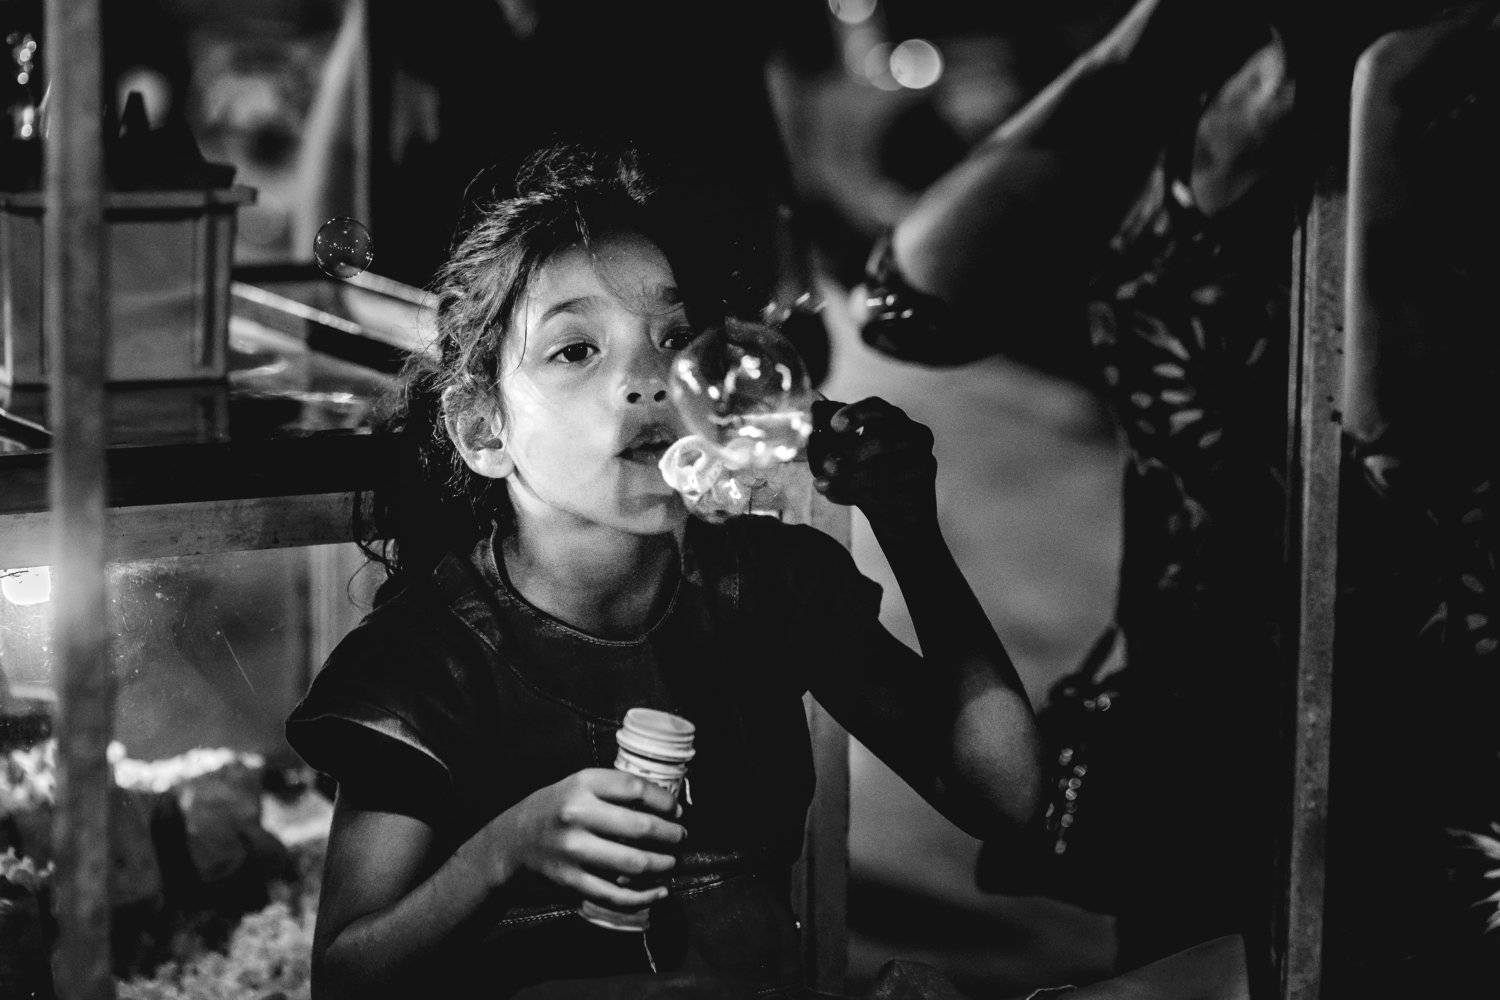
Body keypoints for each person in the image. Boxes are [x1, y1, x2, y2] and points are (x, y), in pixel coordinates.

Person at [282, 141, 1044, 1000]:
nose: (647, 378)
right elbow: (345, 980)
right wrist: (504, 851)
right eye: (577, 349)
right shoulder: (425, 667)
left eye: (674, 338)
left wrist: (910, 529)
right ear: (484, 431)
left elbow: (1004, 797)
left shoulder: (764, 588)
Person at [855, 0, 1499, 991]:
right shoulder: (1206, 72)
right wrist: (1158, 36)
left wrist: (1378, 87)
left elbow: (1395, 456)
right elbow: (909, 309)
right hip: (1187, 768)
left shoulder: (1449, 84)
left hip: (1409, 804)